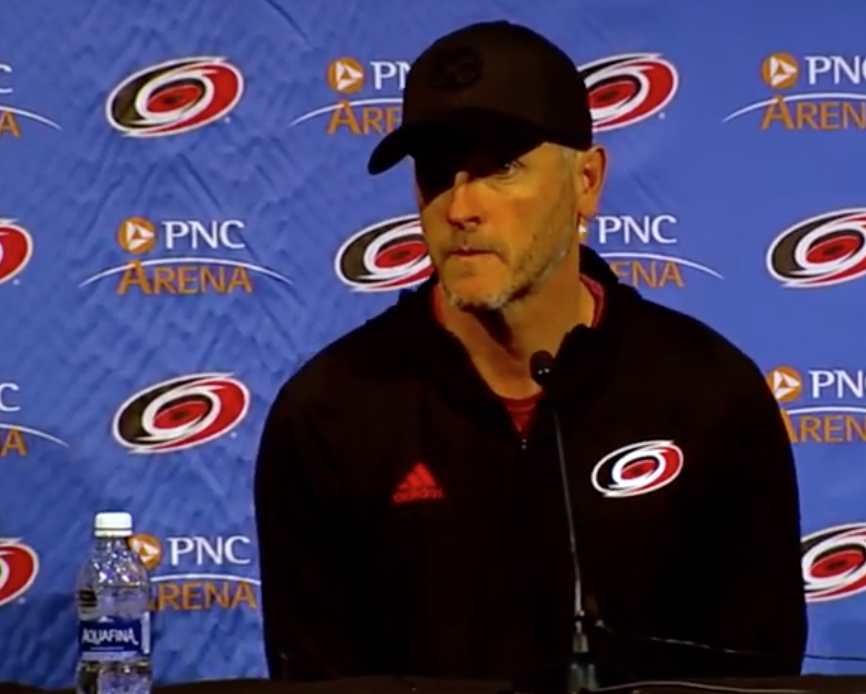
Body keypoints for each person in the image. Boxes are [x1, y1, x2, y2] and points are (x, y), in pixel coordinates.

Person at [253, 19, 806, 691]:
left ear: (587, 181)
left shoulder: (708, 395)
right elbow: (316, 678)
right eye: (437, 172)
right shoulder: (331, 413)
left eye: (502, 168)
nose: (461, 206)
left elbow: (759, 674)